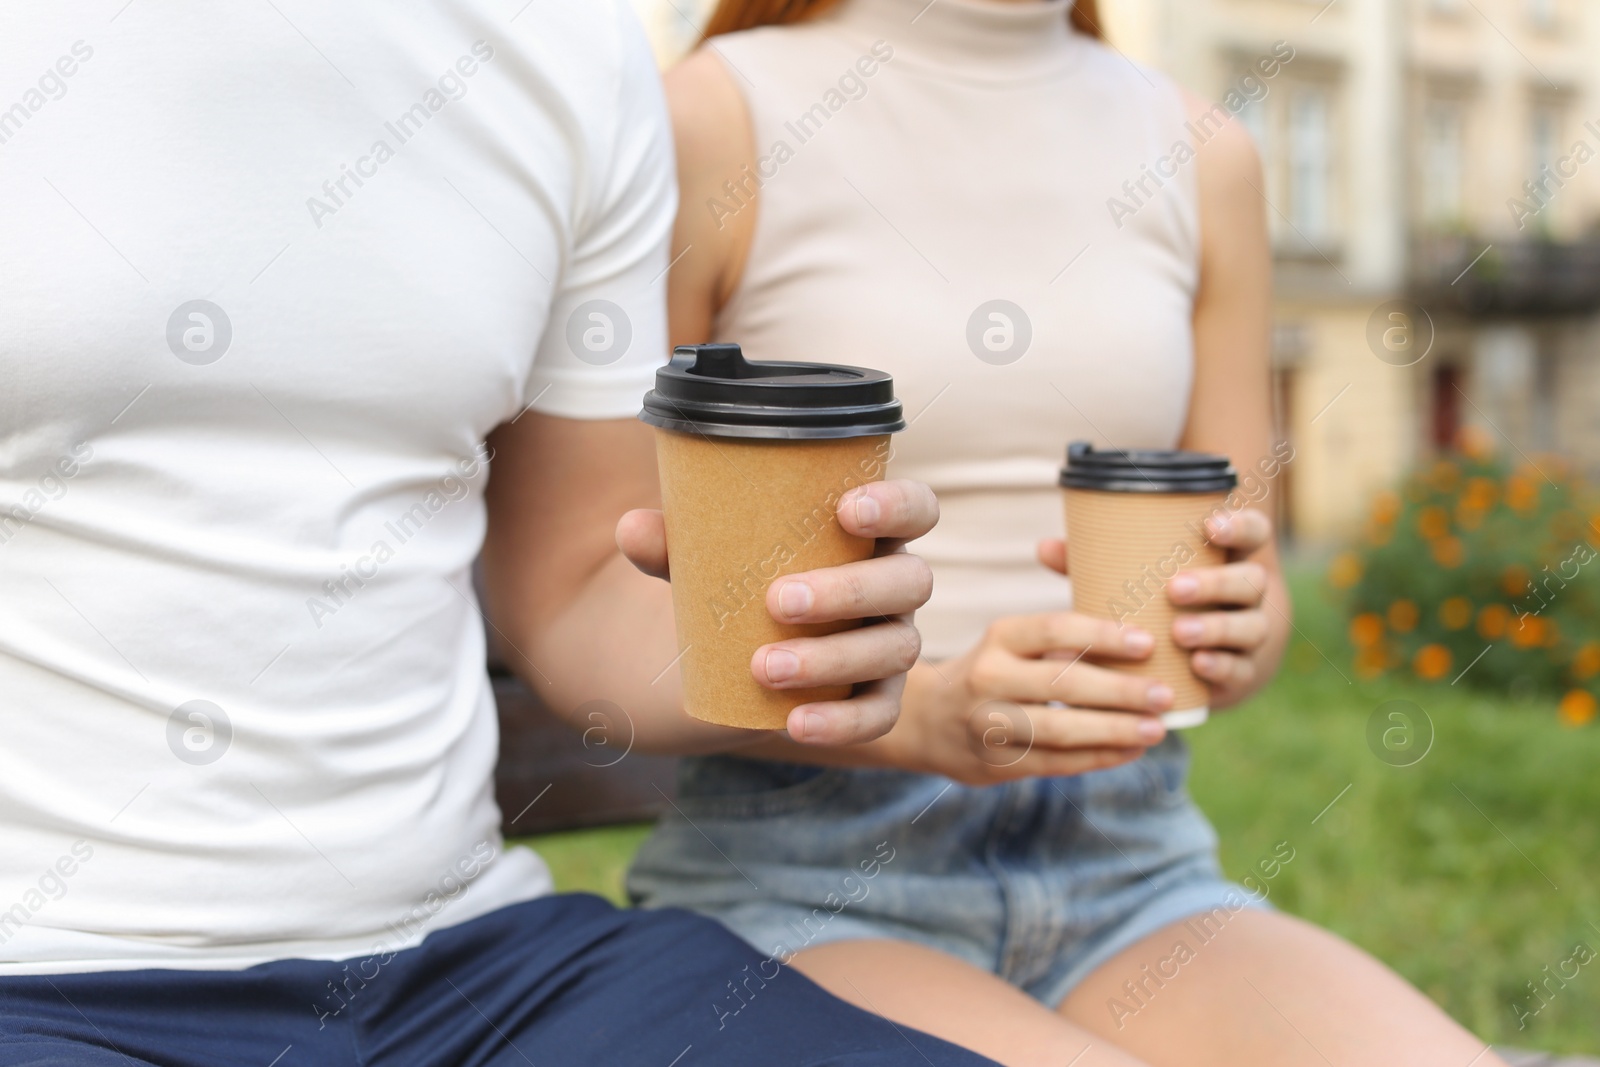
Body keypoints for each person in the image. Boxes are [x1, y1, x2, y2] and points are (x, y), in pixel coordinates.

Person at [0, 4, 994, 1064]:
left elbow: (573, 589)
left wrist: (795, 646)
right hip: (42, 979)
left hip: (478, 969)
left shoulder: (568, 43)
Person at [627, 0, 1511, 1064]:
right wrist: (917, 712)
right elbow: (608, 580)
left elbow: (1251, 578)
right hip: (809, 869)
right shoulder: (708, 114)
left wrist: (1236, 625)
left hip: (1130, 862)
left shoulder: (1204, 152)